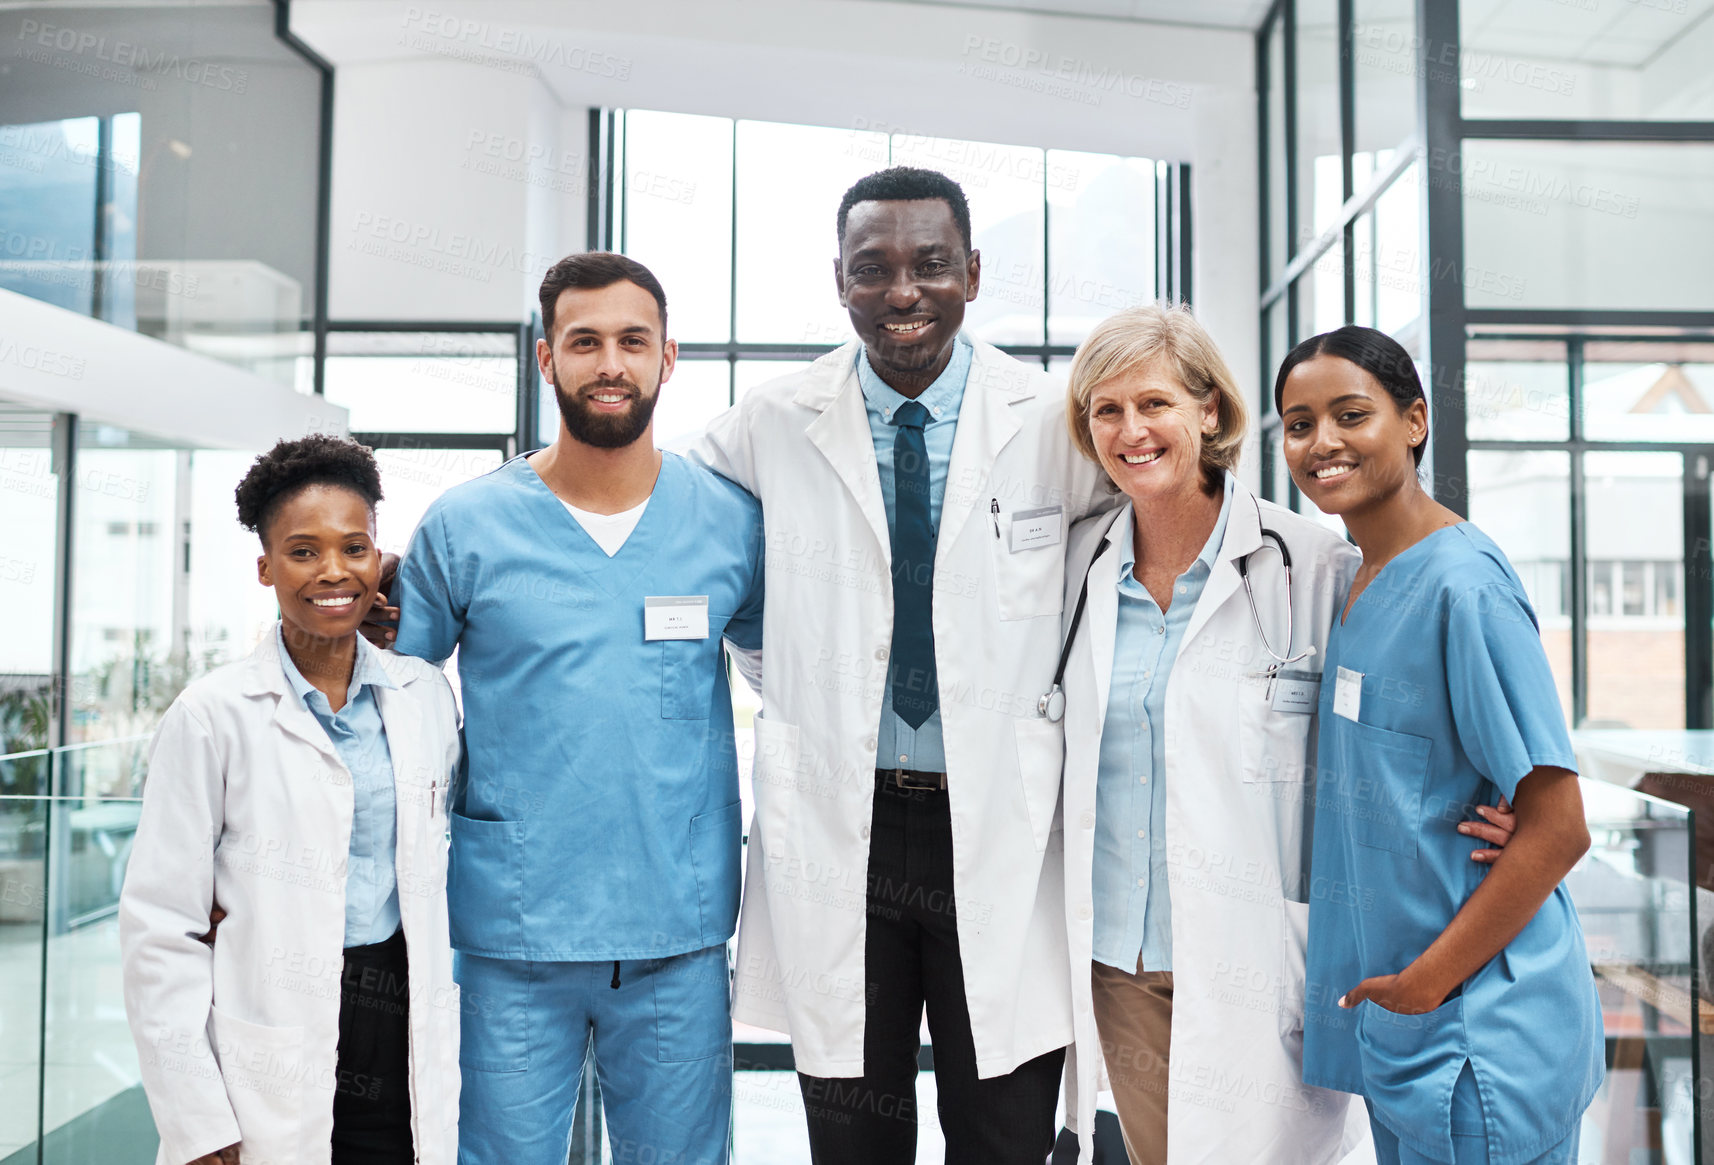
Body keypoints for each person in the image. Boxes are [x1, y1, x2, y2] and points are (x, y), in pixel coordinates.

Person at [691, 166, 1110, 1164]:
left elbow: (1139, 567)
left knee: (1002, 1130)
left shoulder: (1056, 424)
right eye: (872, 268)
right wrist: (789, 675)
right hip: (851, 826)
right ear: (839, 280)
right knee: (852, 1133)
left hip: (1003, 823)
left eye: (929, 264)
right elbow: (689, 555)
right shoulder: (767, 424)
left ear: (971, 271)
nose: (903, 291)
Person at [379, 252, 763, 1165]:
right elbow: (388, 706)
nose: (609, 364)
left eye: (633, 341)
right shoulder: (465, 526)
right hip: (515, 934)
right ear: (545, 359)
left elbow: (805, 676)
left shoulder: (730, 521)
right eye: (583, 342)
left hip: (679, 932)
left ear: (669, 358)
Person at [1282, 326, 1604, 1165]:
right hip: (1408, 1036)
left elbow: (1560, 825)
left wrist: (1424, 987)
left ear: (1415, 420)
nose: (1323, 442)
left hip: (1475, 1032)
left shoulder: (1465, 586)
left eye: (1351, 414)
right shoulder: (1357, 582)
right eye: (1299, 422)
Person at [1055, 304, 1367, 1164]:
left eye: (1153, 403)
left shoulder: (1312, 566)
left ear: (1211, 412)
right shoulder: (1076, 571)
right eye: (1105, 410)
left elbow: (1384, 737)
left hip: (1256, 955)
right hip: (1119, 957)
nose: (1130, 430)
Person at [120, 435, 462, 1165]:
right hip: (269, 1040)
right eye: (303, 551)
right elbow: (159, 926)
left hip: (402, 1031)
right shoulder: (212, 714)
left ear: (379, 559)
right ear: (265, 566)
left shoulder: (424, 696)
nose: (334, 570)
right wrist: (195, 1116)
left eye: (355, 546)